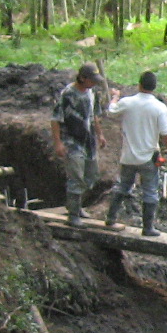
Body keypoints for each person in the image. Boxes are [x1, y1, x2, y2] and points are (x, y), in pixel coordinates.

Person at [104, 71, 167, 238]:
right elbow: (166, 134)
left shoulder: (128, 103)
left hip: (128, 156)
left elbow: (111, 111)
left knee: (123, 185)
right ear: (154, 87)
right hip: (149, 157)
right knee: (150, 191)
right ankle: (148, 227)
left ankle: (110, 217)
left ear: (139, 85)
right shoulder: (159, 108)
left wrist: (115, 97)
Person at [50, 62, 105, 226]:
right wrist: (58, 142)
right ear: (82, 78)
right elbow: (55, 119)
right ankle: (73, 214)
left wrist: (100, 134)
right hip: (72, 141)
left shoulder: (91, 92)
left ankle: (76, 205)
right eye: (91, 80)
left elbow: (95, 115)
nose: (94, 83)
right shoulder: (68, 94)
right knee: (76, 176)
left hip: (88, 141)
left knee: (91, 175)